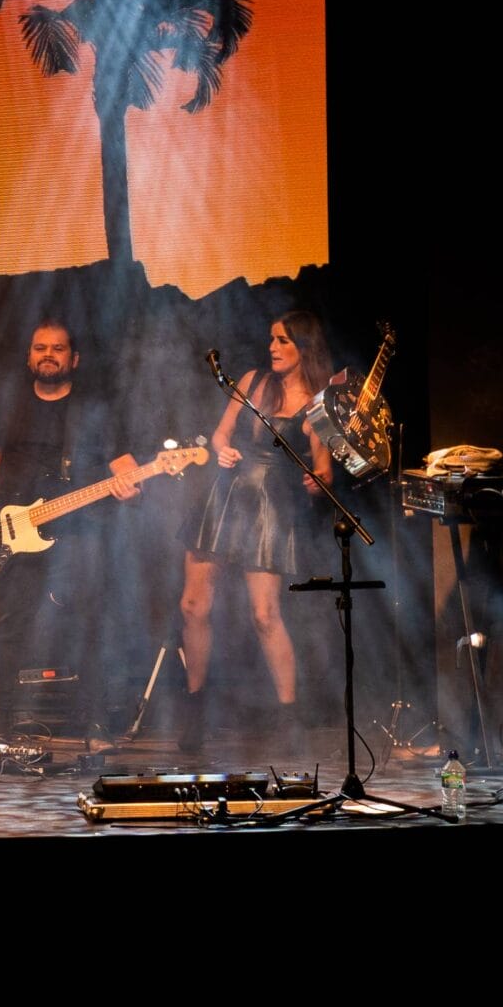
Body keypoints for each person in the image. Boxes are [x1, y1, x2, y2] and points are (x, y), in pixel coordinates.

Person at [0, 317, 141, 743]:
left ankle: (93, 720)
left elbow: (123, 462)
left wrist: (134, 484)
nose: (48, 355)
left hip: (79, 529)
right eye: (40, 348)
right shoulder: (11, 404)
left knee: (87, 622)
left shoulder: (93, 410)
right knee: (6, 624)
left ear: (73, 359)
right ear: (29, 357)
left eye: (57, 349)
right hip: (14, 528)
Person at [179, 311, 336, 752]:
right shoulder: (252, 382)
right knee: (193, 605)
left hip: (271, 506)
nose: (273, 347)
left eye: (283, 340)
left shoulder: (319, 403)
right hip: (226, 496)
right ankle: (194, 708)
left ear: (304, 347)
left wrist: (318, 482)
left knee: (265, 616)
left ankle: (290, 717)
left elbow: (324, 469)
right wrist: (224, 450)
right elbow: (220, 435)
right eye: (271, 338)